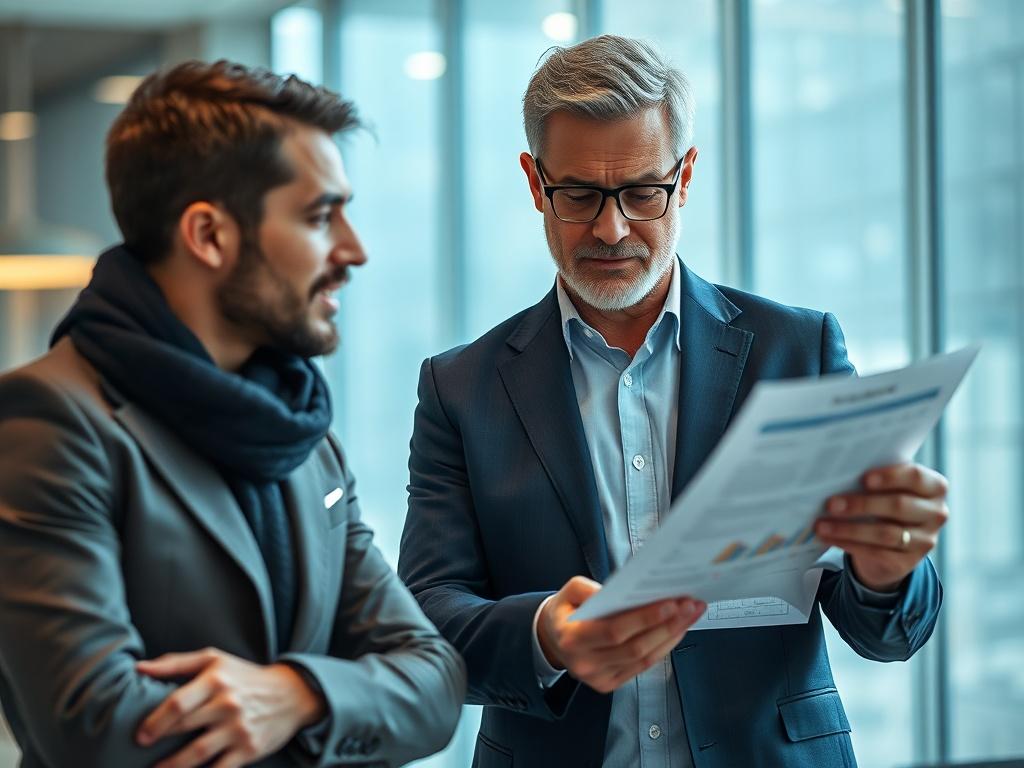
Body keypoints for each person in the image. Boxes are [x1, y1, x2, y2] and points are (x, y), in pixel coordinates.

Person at [398, 35, 946, 768]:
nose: (611, 228)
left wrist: (885, 571)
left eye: (640, 192)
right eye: (580, 195)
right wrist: (545, 636)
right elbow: (427, 618)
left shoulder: (797, 351)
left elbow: (890, 635)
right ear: (535, 184)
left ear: (684, 177)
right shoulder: (460, 387)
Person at [0, 60, 465, 768]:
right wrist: (342, 699)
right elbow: (96, 728)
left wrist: (298, 695)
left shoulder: (306, 439)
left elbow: (434, 681)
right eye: (319, 216)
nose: (354, 250)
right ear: (209, 235)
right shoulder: (48, 423)